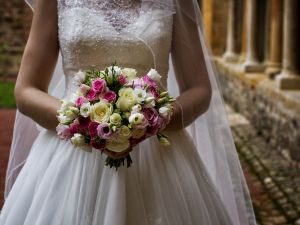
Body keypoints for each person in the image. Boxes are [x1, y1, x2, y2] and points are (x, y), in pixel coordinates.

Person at [0, 0, 257, 224]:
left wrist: (151, 120)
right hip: (71, 156)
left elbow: (199, 89)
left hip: (158, 159)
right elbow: (26, 91)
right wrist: (84, 119)